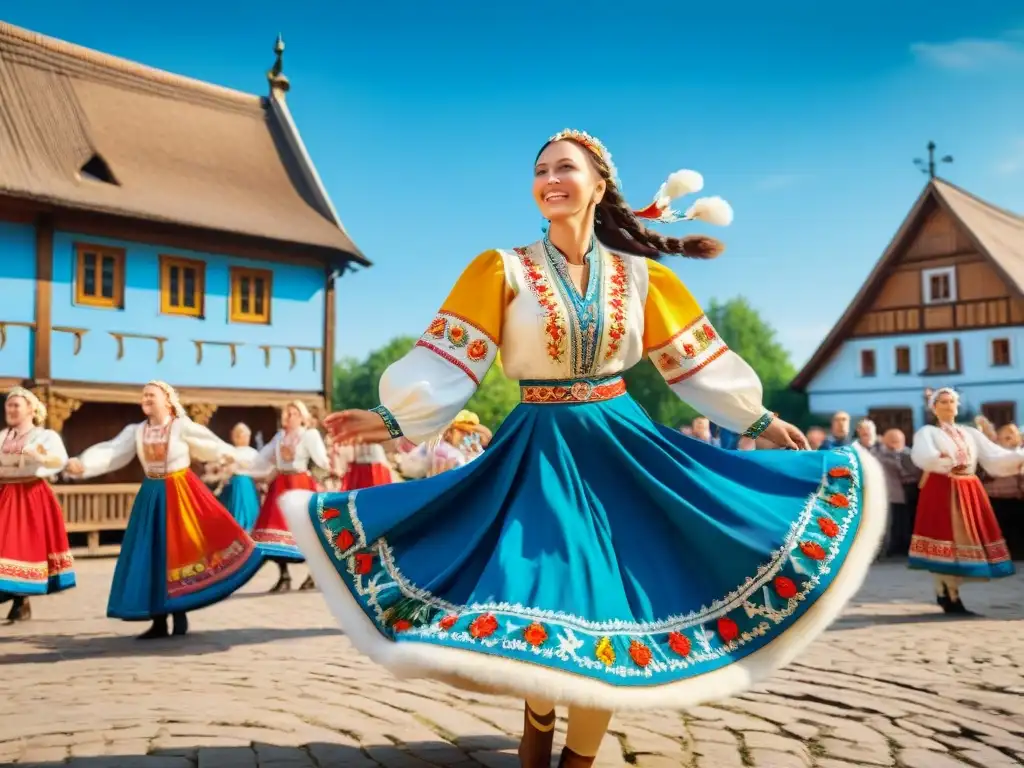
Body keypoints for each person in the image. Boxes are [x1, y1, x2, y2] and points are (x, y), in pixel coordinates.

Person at [278, 129, 887, 767]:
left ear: (599, 185)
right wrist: (392, 417)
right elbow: (454, 357)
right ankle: (540, 716)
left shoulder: (641, 278)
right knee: (547, 586)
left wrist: (757, 419)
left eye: (565, 168)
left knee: (607, 606)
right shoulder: (502, 268)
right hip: (537, 445)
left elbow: (694, 362)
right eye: (540, 170)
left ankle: (577, 760)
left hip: (619, 444)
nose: (550, 180)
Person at [65, 381, 261, 639]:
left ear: (167, 400)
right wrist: (84, 464)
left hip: (180, 492)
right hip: (152, 494)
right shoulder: (137, 431)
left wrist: (239, 456)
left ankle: (180, 612)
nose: (145, 398)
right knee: (153, 553)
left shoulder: (181, 426)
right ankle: (158, 619)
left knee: (180, 551)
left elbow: (211, 445)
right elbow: (112, 452)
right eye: (144, 395)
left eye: (151, 395)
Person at [909, 387, 1024, 614]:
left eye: (951, 401)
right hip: (943, 487)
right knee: (945, 537)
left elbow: (993, 455)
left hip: (968, 487)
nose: (948, 405)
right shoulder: (929, 432)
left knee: (967, 540)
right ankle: (946, 593)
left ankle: (949, 592)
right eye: (942, 402)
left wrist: (1019, 457)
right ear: (934, 407)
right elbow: (925, 455)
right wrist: (943, 462)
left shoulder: (969, 433)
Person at [0, 388, 75, 622]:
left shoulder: (44, 437)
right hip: (4, 492)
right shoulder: (2, 436)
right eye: (8, 405)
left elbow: (58, 459)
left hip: (30, 495)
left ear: (31, 409)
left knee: (17, 546)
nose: (11, 410)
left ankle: (20, 598)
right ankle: (20, 600)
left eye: (16, 406)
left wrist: (38, 456)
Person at [249, 401, 331, 593]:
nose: (289, 416)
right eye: (287, 413)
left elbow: (321, 459)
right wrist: (242, 463)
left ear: (302, 417)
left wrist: (329, 468)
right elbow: (264, 457)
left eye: (294, 413)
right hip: (280, 484)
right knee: (272, 532)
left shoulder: (308, 435)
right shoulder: (280, 436)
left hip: (299, 482)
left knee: (304, 530)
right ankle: (284, 575)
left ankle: (313, 574)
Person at [206, 423, 263, 532]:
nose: (237, 436)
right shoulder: (229, 450)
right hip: (230, 485)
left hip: (245, 483)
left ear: (248, 436)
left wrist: (237, 462)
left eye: (240, 434)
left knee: (245, 513)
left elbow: (256, 468)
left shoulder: (252, 453)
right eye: (235, 434)